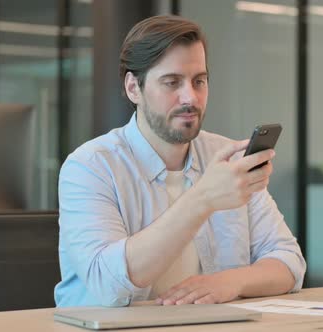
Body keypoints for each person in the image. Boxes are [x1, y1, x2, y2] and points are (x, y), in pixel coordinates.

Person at [55, 15, 306, 307]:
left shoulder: (227, 157)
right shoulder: (90, 167)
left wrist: (228, 282)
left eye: (199, 81)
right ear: (133, 88)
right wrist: (202, 200)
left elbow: (289, 263)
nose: (190, 97)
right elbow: (108, 284)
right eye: (172, 82)